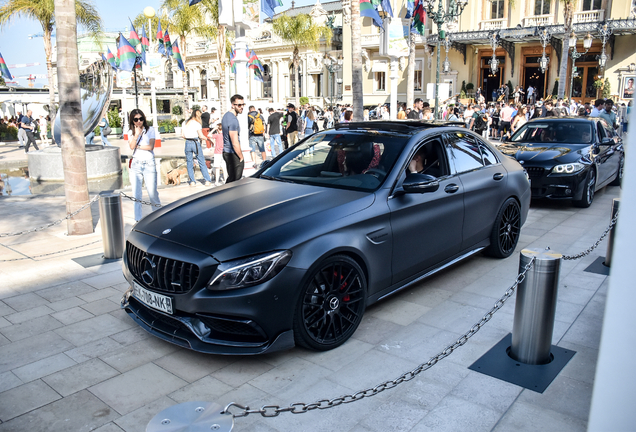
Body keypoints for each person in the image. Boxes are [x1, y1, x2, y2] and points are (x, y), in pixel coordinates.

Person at [127, 109, 161, 222]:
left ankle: (159, 218)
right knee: (136, 194)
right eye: (136, 119)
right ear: (132, 120)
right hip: (136, 164)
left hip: (149, 163)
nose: (139, 121)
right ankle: (138, 219)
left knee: (152, 193)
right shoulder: (130, 132)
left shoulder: (150, 130)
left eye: (141, 119)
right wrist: (136, 135)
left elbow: (151, 146)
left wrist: (138, 146)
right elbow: (131, 146)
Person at [183, 108, 212, 187]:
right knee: (201, 161)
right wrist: (208, 139)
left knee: (189, 162)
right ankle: (207, 180)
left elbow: (182, 135)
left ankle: (192, 181)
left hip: (187, 142)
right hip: (195, 142)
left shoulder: (185, 122)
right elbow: (201, 136)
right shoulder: (197, 124)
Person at [223, 94, 246, 183]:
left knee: (232, 178)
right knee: (235, 180)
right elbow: (234, 141)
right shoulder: (233, 120)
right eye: (239, 105)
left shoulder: (226, 115)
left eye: (243, 104)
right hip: (232, 153)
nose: (242, 107)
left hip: (227, 152)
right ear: (233, 105)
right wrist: (241, 156)